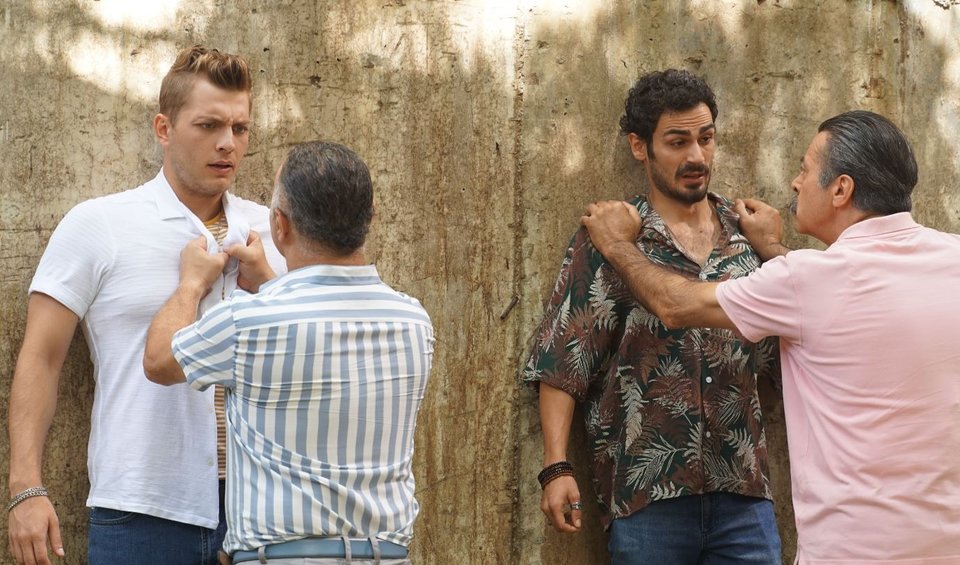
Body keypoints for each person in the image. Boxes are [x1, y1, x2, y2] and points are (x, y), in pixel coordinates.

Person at [581, 110, 960, 563]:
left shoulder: (804, 280)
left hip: (855, 549)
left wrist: (617, 244)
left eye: (805, 169)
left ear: (841, 189)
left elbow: (675, 304)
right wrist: (774, 250)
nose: (796, 183)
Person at [7, 45, 285, 565]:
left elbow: (315, 351)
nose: (227, 143)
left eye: (240, 128)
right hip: (141, 510)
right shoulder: (99, 224)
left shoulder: (273, 230)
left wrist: (268, 281)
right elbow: (41, 357)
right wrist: (26, 488)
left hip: (263, 510)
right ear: (164, 128)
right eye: (208, 125)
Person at [522, 69, 782, 564]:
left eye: (706, 138)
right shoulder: (613, 238)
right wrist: (556, 466)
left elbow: (788, 357)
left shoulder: (746, 236)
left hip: (743, 493)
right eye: (678, 142)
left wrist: (770, 248)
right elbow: (564, 357)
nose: (697, 157)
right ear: (639, 147)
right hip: (647, 499)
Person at [142, 141, 434, 565]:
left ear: (279, 225)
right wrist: (269, 281)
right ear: (370, 217)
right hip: (387, 555)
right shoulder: (414, 322)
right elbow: (320, 341)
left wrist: (191, 285)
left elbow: (159, 361)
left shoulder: (247, 321)